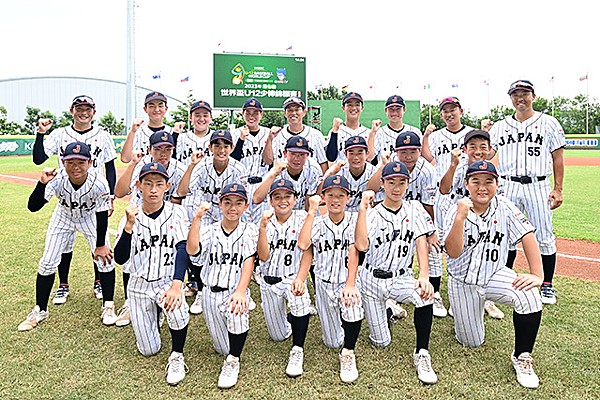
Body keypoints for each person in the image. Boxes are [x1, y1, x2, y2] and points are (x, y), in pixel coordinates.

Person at [444, 160, 544, 389]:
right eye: (476, 182)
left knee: (530, 296)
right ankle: (466, 311)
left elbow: (527, 234)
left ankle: (522, 356)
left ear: (497, 184)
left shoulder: (505, 206)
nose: (482, 187)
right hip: (463, 282)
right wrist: (460, 217)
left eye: (488, 182)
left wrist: (537, 275)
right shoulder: (456, 209)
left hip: (494, 275)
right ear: (466, 184)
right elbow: (452, 251)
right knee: (471, 342)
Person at [18, 141, 118, 331]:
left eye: (81, 162)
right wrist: (41, 184)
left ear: (90, 163)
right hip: (63, 216)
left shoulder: (99, 182)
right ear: (63, 162)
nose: (75, 167)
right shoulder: (56, 178)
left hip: (89, 217)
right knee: (47, 262)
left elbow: (102, 213)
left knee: (105, 260)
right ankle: (40, 309)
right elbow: (33, 207)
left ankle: (108, 306)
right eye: (70, 162)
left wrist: (100, 245)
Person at [354, 162, 438, 385]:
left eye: (402, 182)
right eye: (391, 182)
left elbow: (421, 241)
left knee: (423, 296)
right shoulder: (372, 213)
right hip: (371, 280)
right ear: (382, 184)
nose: (396, 187)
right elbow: (361, 246)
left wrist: (424, 276)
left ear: (408, 184)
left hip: (401, 277)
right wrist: (362, 209)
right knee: (381, 342)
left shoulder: (415, 208)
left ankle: (422, 353)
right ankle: (388, 311)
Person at [33, 95, 117, 305]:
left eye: (88, 108)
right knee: (64, 247)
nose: (83, 112)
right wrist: (41, 134)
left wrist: (111, 196)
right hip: (67, 193)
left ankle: (99, 281)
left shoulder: (103, 135)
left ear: (93, 112)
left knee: (98, 243)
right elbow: (38, 158)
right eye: (79, 108)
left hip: (95, 195)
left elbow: (110, 167)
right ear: (72, 110)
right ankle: (63, 285)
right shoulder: (61, 134)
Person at [488, 80, 565, 305]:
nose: (520, 98)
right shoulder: (500, 126)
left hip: (538, 185)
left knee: (544, 236)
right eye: (515, 94)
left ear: (533, 95)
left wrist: (558, 189)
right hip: (507, 184)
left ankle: (547, 284)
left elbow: (557, 158)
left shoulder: (549, 123)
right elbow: (489, 154)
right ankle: (503, 280)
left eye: (524, 94)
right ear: (510, 98)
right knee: (504, 236)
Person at [113, 162, 191, 386]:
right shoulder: (130, 215)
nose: (153, 189)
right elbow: (120, 258)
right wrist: (128, 226)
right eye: (148, 184)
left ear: (167, 186)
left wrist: (177, 285)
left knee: (177, 310)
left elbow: (182, 249)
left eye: (159, 184)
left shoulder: (176, 212)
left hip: (166, 282)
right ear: (139, 186)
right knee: (149, 350)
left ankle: (177, 355)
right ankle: (154, 315)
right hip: (137, 285)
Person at [186, 184, 258, 389]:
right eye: (227, 202)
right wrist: (197, 219)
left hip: (234, 291)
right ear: (220, 204)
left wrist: (242, 291)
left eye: (238, 203)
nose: (232, 207)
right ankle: (230, 350)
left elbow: (248, 261)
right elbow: (192, 251)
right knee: (221, 347)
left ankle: (233, 360)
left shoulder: (250, 231)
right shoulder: (210, 230)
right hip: (210, 292)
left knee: (237, 319)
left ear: (245, 206)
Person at [113, 130, 189, 326]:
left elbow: (182, 195)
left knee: (166, 260)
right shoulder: (140, 167)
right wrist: (132, 164)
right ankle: (132, 303)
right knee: (134, 260)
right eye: (158, 149)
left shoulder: (179, 169)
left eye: (168, 149)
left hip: (166, 215)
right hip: (139, 215)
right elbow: (120, 192)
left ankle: (164, 299)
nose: (163, 153)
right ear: (149, 150)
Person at [368, 131, 445, 318]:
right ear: (396, 151)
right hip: (391, 215)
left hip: (417, 216)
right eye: (403, 151)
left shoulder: (427, 170)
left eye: (413, 151)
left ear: (420, 151)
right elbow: (373, 190)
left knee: (433, 248)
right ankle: (390, 293)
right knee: (390, 248)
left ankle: (433, 292)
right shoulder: (389, 165)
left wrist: (430, 231)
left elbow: (428, 204)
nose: (408, 156)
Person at [297, 176, 364, 383]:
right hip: (324, 284)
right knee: (331, 342)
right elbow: (303, 245)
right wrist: (311, 211)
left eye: (341, 195)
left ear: (348, 197)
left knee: (352, 309)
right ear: (323, 197)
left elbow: (357, 249)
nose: (336, 199)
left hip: (347, 281)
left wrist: (351, 283)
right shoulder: (316, 222)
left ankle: (349, 353)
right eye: (331, 195)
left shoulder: (354, 220)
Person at [177, 129, 249, 315]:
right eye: (217, 145)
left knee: (236, 247)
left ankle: (239, 288)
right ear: (210, 147)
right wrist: (191, 166)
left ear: (232, 148)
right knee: (198, 247)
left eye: (226, 146)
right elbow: (183, 192)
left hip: (228, 212)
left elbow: (241, 198)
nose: (221, 149)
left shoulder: (238, 169)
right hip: (208, 212)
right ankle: (201, 288)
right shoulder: (201, 166)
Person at [439, 129, 505, 319]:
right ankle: (457, 300)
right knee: (457, 259)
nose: (478, 151)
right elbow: (444, 189)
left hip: (483, 220)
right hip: (459, 219)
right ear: (465, 149)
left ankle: (487, 300)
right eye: (473, 147)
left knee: (486, 257)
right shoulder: (459, 168)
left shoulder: (493, 173)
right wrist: (453, 165)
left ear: (490, 149)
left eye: (483, 147)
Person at [256, 178, 313, 378]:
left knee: (299, 298)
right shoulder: (265, 220)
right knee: (278, 335)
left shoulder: (302, 217)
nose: (282, 200)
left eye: (287, 196)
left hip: (291, 277)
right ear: (271, 200)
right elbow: (263, 256)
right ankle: (294, 319)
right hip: (268, 280)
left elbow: (307, 250)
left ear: (295, 199)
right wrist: (262, 228)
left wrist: (301, 277)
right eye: (277, 197)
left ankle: (298, 349)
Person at [230, 97, 282, 223]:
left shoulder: (269, 133)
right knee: (241, 225)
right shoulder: (234, 134)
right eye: (248, 112)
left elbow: (269, 161)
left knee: (263, 225)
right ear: (243, 113)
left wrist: (269, 139)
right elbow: (232, 162)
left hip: (262, 184)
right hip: (241, 183)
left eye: (255, 113)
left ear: (261, 114)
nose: (251, 116)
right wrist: (241, 140)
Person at [252, 135, 323, 211]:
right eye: (293, 154)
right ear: (285, 153)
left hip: (303, 213)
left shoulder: (313, 169)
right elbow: (256, 199)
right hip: (280, 213)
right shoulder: (277, 170)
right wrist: (273, 175)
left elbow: (309, 203)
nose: (297, 158)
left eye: (301, 154)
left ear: (307, 155)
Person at [269, 97, 329, 174]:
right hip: (283, 181)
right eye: (290, 110)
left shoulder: (316, 135)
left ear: (304, 112)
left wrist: (322, 182)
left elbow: (323, 163)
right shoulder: (277, 135)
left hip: (310, 181)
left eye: (297, 110)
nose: (293, 113)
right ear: (285, 113)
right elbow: (271, 162)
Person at [120, 91, 183, 163]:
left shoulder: (174, 132)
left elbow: (177, 161)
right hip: (141, 173)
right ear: (145, 109)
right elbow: (125, 159)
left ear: (166, 108)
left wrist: (175, 135)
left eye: (160, 106)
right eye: (151, 106)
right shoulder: (137, 132)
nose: (156, 109)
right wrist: (132, 132)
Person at [321, 136, 377, 212]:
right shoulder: (339, 170)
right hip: (341, 214)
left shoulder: (374, 172)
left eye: (360, 153)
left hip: (365, 214)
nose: (356, 157)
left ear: (367, 154)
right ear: (345, 154)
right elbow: (320, 191)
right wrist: (331, 172)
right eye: (351, 153)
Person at [367, 95, 422, 164]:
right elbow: (369, 157)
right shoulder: (379, 133)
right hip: (386, 173)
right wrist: (372, 133)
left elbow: (421, 156)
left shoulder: (415, 132)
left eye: (398, 109)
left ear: (404, 109)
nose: (394, 112)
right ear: (386, 110)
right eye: (391, 109)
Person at [325, 92, 372, 163]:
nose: (353, 108)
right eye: (349, 105)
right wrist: (334, 132)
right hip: (340, 172)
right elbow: (331, 157)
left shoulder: (368, 133)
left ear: (362, 108)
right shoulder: (336, 131)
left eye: (357, 105)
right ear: (343, 108)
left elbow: (371, 159)